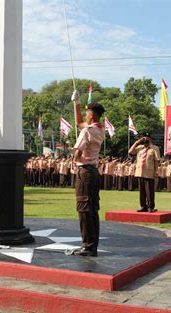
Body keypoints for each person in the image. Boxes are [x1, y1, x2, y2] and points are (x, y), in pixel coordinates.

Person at [70, 90, 105, 257]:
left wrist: (74, 159)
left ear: (91, 115)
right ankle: (92, 245)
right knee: (92, 209)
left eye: (87, 112)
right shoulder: (99, 129)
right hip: (94, 172)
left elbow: (77, 151)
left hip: (84, 172)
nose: (85, 115)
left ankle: (87, 246)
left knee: (83, 209)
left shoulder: (87, 131)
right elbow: (79, 123)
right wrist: (76, 104)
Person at [129, 132, 161, 212]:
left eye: (147, 137)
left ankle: (151, 207)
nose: (146, 139)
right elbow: (130, 152)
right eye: (144, 137)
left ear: (150, 139)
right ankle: (143, 206)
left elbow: (157, 161)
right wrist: (137, 142)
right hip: (140, 172)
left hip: (149, 172)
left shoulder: (155, 148)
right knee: (142, 191)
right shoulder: (139, 147)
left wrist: (156, 171)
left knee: (149, 191)